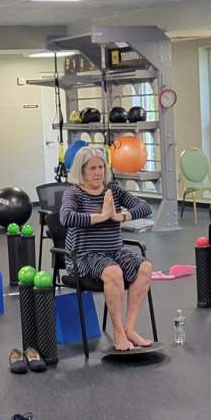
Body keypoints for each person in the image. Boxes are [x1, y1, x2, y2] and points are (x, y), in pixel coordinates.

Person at [59, 146, 155, 351]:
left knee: (144, 267)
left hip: (114, 252)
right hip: (83, 257)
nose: (98, 172)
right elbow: (65, 217)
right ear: (81, 171)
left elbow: (145, 207)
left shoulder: (113, 190)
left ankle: (129, 328)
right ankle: (118, 332)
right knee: (113, 271)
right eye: (92, 168)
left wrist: (120, 216)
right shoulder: (73, 193)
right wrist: (101, 216)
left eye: (101, 167)